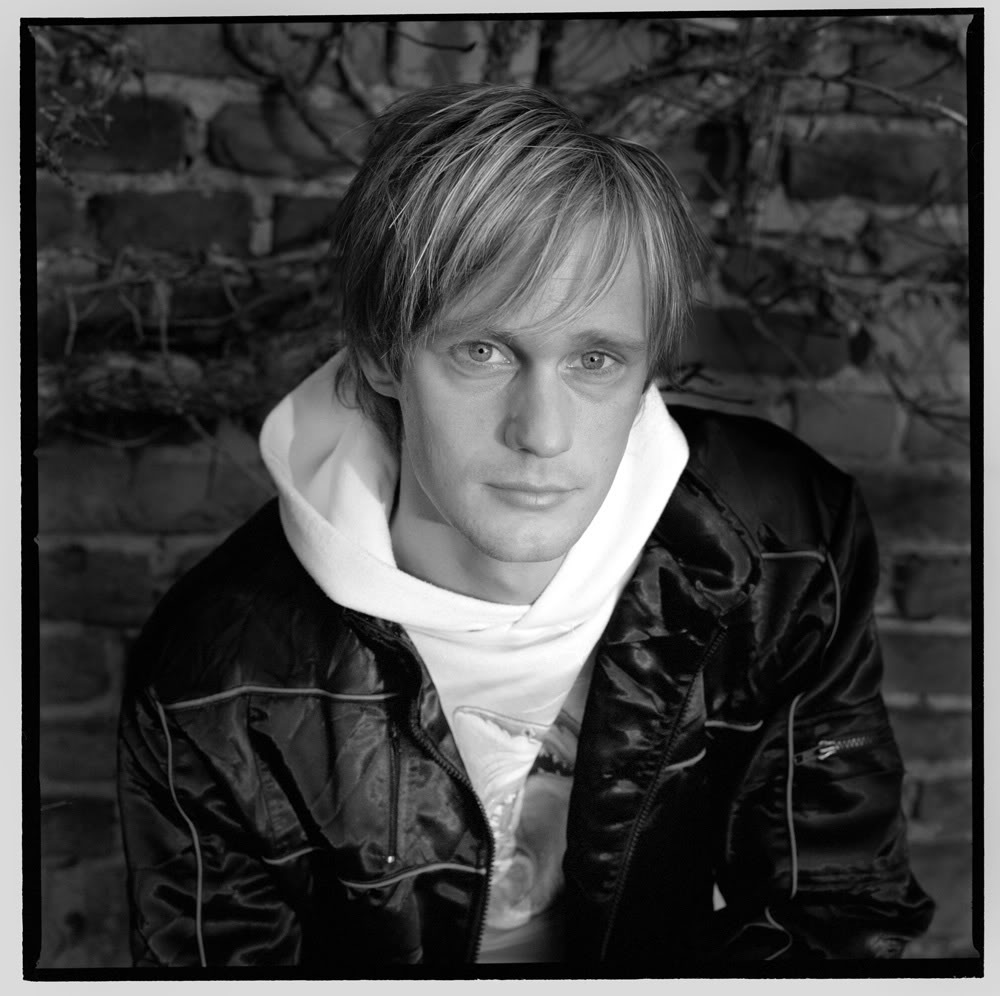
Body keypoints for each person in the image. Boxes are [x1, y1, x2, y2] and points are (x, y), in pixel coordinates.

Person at [117, 83, 934, 969]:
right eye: (483, 351)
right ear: (383, 354)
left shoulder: (781, 543)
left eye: (595, 360)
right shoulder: (217, 678)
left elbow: (839, 910)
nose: (541, 434)